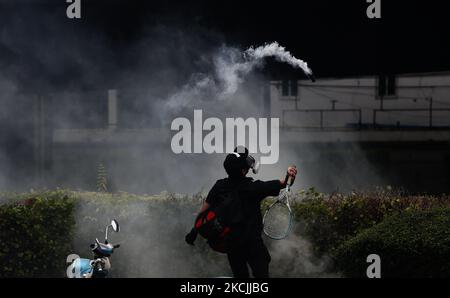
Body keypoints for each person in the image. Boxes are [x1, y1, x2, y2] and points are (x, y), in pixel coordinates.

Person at [186, 146, 297, 278]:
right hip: (253, 245)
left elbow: (203, 212)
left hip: (231, 245)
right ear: (244, 171)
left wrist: (193, 233)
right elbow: (285, 183)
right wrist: (290, 174)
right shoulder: (254, 188)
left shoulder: (219, 186)